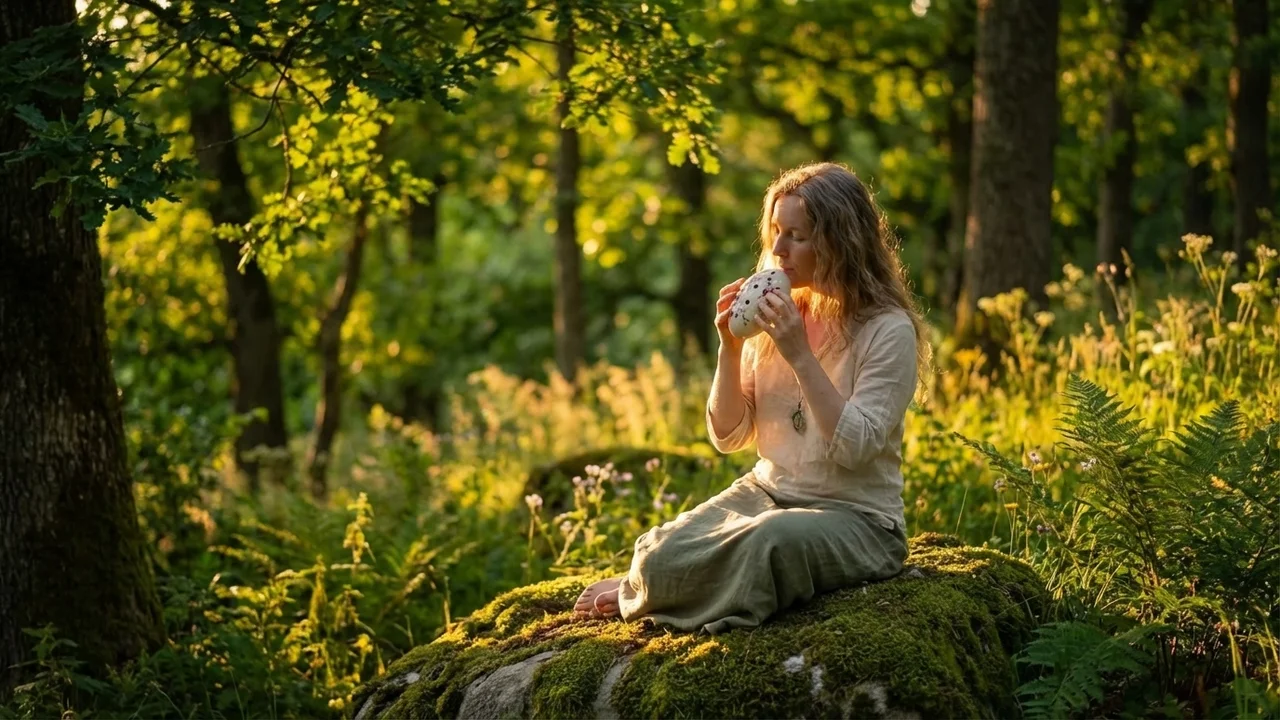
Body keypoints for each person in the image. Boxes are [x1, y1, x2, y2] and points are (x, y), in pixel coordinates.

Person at [574, 162, 929, 634]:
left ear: (841, 240)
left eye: (797, 236)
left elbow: (855, 448)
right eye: (776, 232)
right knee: (655, 552)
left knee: (768, 544)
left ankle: (654, 596)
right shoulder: (776, 310)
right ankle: (648, 585)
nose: (778, 249)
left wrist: (800, 354)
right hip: (767, 493)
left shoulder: (888, 330)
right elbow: (729, 434)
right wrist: (730, 346)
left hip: (858, 520)